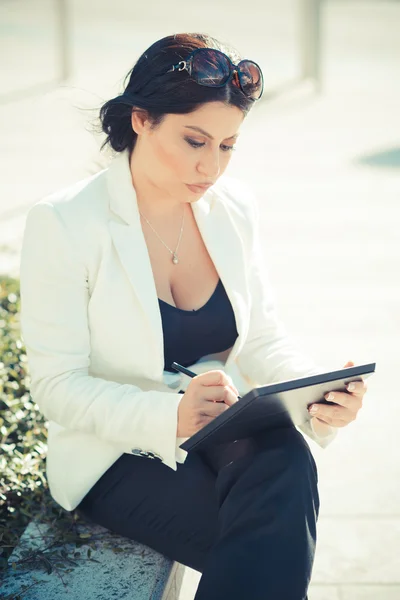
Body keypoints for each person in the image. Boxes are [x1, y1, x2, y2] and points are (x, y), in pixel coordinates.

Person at [19, 32, 367, 600]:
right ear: (142, 120)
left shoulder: (232, 208)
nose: (212, 166)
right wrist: (171, 416)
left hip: (221, 434)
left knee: (287, 459)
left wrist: (317, 397)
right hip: (117, 456)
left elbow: (263, 339)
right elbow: (56, 386)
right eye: (195, 140)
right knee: (270, 544)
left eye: (228, 146)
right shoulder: (64, 223)